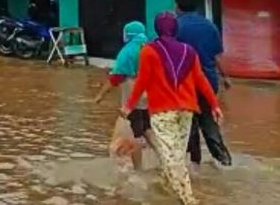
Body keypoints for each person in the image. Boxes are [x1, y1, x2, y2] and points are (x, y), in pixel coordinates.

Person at [123, 12, 223, 205]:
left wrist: (129, 106)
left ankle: (188, 199)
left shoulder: (149, 51)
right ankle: (171, 192)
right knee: (176, 153)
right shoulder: (189, 51)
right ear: (176, 29)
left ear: (157, 29)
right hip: (186, 110)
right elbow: (200, 80)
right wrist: (214, 105)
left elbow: (142, 82)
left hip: (162, 112)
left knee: (171, 157)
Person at [175, 0, 232, 167]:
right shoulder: (209, 26)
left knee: (189, 124)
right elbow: (217, 56)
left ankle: (195, 165)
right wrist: (226, 77)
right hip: (208, 82)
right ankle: (224, 160)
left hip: (185, 85)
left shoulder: (175, 27)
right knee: (208, 121)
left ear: (177, 5)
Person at [94, 21, 155, 170]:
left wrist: (100, 95)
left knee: (136, 134)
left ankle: (139, 169)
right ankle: (166, 157)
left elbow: (116, 78)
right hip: (150, 96)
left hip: (133, 97)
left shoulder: (127, 51)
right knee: (147, 129)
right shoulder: (150, 48)